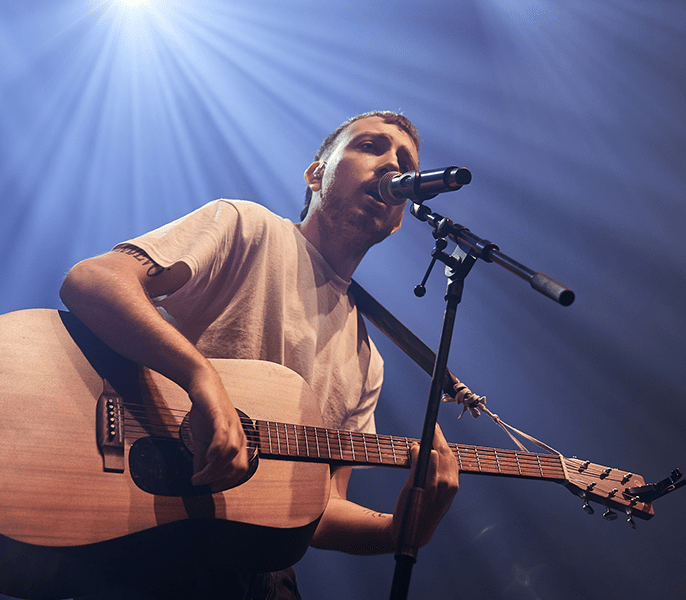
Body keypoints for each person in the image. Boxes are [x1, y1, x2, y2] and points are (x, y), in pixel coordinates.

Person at [59, 111, 460, 599]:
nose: (391, 165)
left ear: (399, 221)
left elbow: (321, 509)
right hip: (147, 538)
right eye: (371, 146)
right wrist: (202, 381)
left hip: (257, 574)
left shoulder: (366, 358)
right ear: (317, 174)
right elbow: (93, 281)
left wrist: (398, 532)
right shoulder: (249, 227)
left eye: (403, 161)